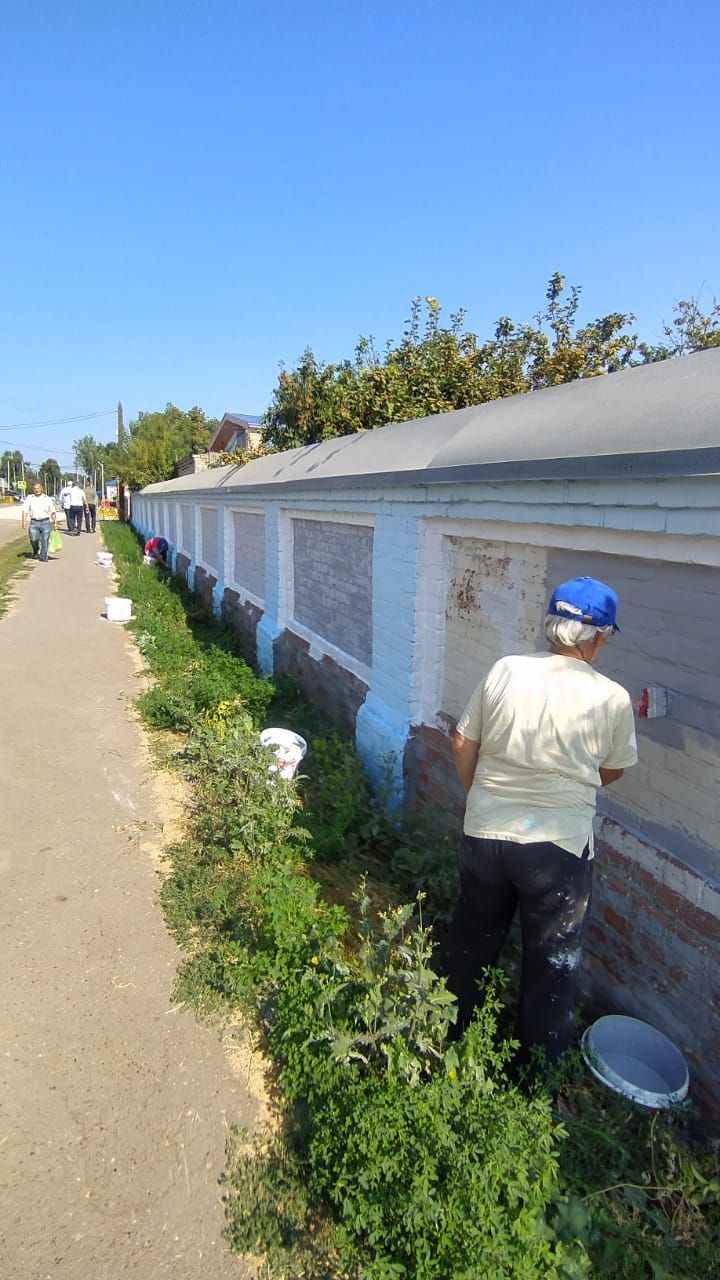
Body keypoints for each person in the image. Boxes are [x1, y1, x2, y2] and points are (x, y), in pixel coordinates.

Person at [443, 575, 638, 1075]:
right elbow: (610, 771)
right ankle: (530, 1088)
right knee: (550, 972)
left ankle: (441, 1048)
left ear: (552, 626)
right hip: (558, 852)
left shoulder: (507, 669)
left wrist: (482, 801)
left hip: (486, 834)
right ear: (598, 636)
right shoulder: (611, 698)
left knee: (469, 946)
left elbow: (463, 743)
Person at [21, 482, 58, 562]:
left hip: (45, 522)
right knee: (33, 539)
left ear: (41, 489)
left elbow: (52, 511)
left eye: (38, 488)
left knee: (45, 540)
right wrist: (23, 521)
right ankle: (36, 550)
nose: (37, 490)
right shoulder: (30, 498)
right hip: (34, 522)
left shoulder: (47, 499)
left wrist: (55, 522)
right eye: (35, 489)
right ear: (33, 490)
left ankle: (43, 556)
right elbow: (25, 510)